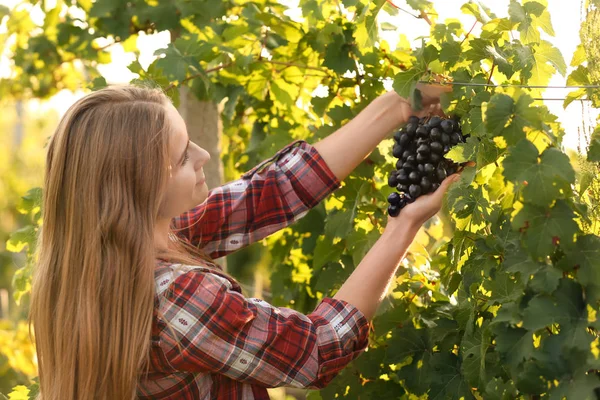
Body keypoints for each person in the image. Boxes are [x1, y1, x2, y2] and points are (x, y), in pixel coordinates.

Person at [29, 83, 458, 400]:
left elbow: (274, 191)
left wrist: (400, 104)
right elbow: (317, 349)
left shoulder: (116, 251)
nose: (203, 156)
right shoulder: (177, 296)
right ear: (141, 188)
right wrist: (403, 226)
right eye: (182, 157)